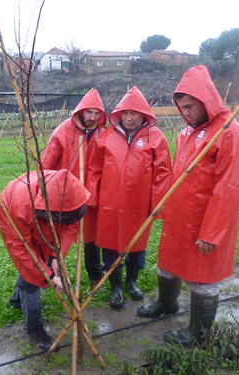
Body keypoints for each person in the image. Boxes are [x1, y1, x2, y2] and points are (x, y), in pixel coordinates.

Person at [137, 65, 239, 346]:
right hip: (180, 217)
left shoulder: (229, 133)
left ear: (206, 99)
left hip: (205, 221)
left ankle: (198, 335)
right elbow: (179, 174)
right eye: (182, 107)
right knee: (169, 264)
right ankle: (167, 304)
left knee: (203, 277)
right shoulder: (188, 132)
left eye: (190, 106)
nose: (186, 112)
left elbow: (229, 188)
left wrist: (212, 232)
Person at [85, 87, 172, 309]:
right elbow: (94, 168)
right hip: (109, 204)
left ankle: (132, 282)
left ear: (144, 114)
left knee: (137, 247)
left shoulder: (156, 138)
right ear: (119, 114)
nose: (129, 118)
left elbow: (162, 174)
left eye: (134, 113)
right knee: (110, 247)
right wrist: (92, 197)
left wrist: (158, 205)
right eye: (125, 113)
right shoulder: (106, 136)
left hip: (140, 205)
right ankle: (116, 288)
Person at [0, 169, 90, 350]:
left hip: (43, 216)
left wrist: (55, 256)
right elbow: (22, 249)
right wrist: (50, 277)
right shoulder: (22, 206)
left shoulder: (71, 198)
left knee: (39, 260)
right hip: (9, 215)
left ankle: (17, 299)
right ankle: (34, 328)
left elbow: (71, 227)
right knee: (31, 275)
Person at [41, 88, 107, 290]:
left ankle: (95, 274)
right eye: (89, 112)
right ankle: (47, 276)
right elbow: (47, 163)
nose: (92, 118)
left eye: (97, 114)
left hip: (92, 193)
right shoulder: (63, 131)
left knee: (91, 235)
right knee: (59, 233)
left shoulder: (103, 134)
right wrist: (43, 188)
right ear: (81, 110)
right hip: (65, 193)